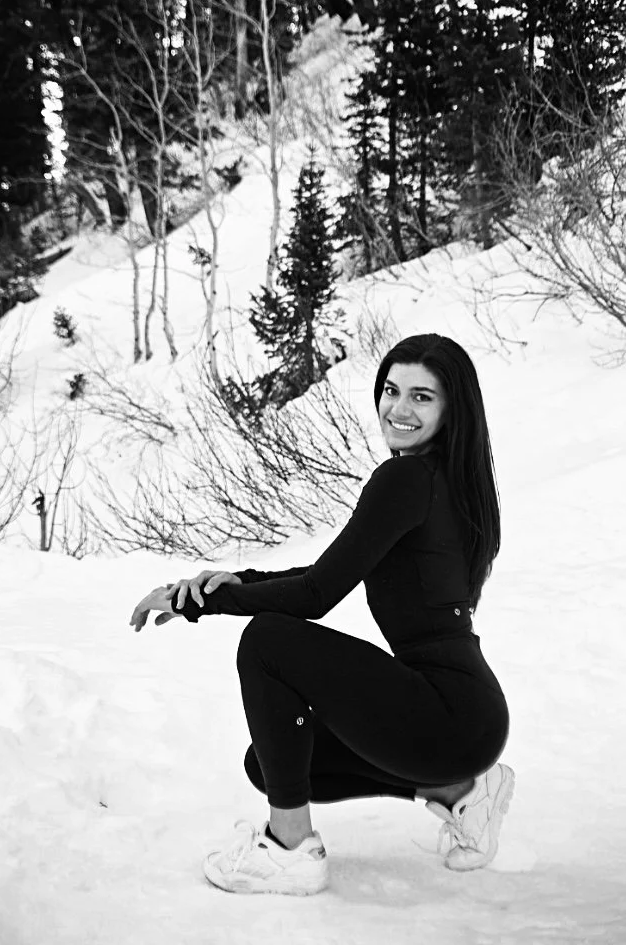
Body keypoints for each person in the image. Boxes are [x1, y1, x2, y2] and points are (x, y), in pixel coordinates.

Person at [130, 333, 514, 896]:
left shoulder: (406, 480)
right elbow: (328, 572)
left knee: (268, 642)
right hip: (465, 721)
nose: (398, 409)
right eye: (390, 390)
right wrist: (236, 583)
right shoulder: (452, 482)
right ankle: (460, 792)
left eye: (421, 396)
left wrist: (210, 601)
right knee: (274, 765)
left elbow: (315, 596)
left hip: (446, 713)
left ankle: (288, 849)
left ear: (453, 406)